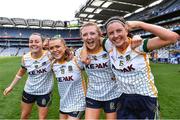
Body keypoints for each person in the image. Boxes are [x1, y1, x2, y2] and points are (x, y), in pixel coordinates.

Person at [102, 16, 179, 119]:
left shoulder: (139, 45)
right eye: (111, 33)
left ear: (126, 30)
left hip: (146, 98)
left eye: (119, 30)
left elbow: (173, 37)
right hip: (123, 98)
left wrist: (140, 24)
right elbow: (90, 37)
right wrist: (84, 51)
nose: (115, 35)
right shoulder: (109, 45)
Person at [3, 33, 54, 119]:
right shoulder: (25, 58)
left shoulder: (50, 55)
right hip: (29, 91)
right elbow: (21, 73)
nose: (33, 44)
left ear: (42, 43)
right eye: (31, 42)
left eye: (37, 41)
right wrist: (10, 87)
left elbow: (63, 52)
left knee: (42, 118)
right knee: (24, 115)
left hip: (44, 93)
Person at [76, 22, 121, 120]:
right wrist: (84, 49)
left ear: (99, 35)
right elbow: (79, 67)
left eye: (92, 33)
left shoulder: (109, 48)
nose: (89, 37)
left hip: (113, 93)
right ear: (82, 38)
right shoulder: (79, 52)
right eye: (85, 35)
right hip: (93, 94)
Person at [48, 36, 86, 120]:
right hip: (64, 104)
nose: (54, 50)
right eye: (51, 48)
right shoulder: (53, 65)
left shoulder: (76, 61)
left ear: (65, 47)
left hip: (79, 103)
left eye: (58, 46)